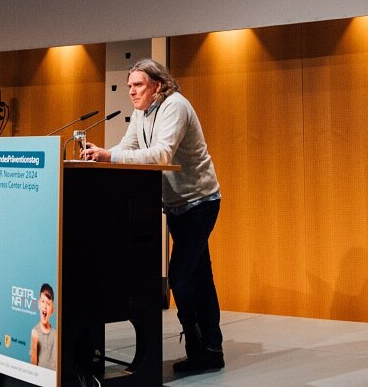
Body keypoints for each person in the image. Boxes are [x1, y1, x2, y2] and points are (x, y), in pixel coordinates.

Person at [80, 59, 223, 374]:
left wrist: (111, 156)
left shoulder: (175, 106)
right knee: (199, 276)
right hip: (175, 205)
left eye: (138, 85)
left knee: (182, 277)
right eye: (129, 85)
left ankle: (200, 346)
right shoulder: (142, 113)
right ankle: (212, 348)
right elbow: (127, 147)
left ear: (158, 84)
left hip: (199, 202)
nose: (131, 91)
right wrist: (101, 154)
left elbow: (161, 155)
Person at [29, 282, 56, 370]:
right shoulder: (35, 332)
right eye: (43, 301)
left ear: (52, 310)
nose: (45, 306)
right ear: (38, 304)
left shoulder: (56, 335)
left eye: (48, 303)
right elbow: (33, 365)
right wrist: (34, 345)